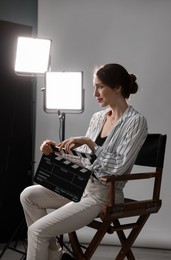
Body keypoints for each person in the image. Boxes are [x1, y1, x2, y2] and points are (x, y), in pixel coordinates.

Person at [20, 63, 148, 260]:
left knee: (37, 231)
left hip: (105, 195)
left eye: (100, 86)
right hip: (81, 185)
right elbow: (83, 160)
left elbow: (118, 168)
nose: (95, 92)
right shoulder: (98, 118)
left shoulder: (136, 121)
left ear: (117, 88)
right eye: (94, 86)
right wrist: (55, 151)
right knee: (29, 195)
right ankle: (55, 255)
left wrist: (90, 143)